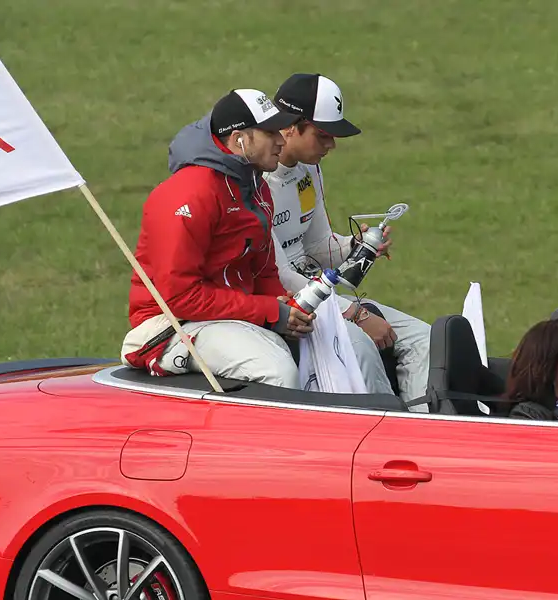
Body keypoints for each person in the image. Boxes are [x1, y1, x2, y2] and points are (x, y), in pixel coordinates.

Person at [120, 88, 314, 387]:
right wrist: (269, 311)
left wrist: (286, 308)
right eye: (270, 132)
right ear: (240, 139)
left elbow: (263, 272)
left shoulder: (256, 186)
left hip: (229, 317)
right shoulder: (189, 194)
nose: (281, 140)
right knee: (278, 371)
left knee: (340, 345)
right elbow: (180, 297)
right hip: (168, 325)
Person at [263, 72, 431, 406]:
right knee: (360, 347)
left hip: (323, 297)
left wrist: (357, 246)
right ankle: (386, 436)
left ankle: (425, 426)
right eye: (322, 135)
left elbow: (317, 245)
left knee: (424, 338)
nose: (331, 145)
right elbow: (281, 278)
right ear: (289, 127)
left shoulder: (308, 169)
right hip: (292, 308)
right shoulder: (257, 181)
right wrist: (357, 313)